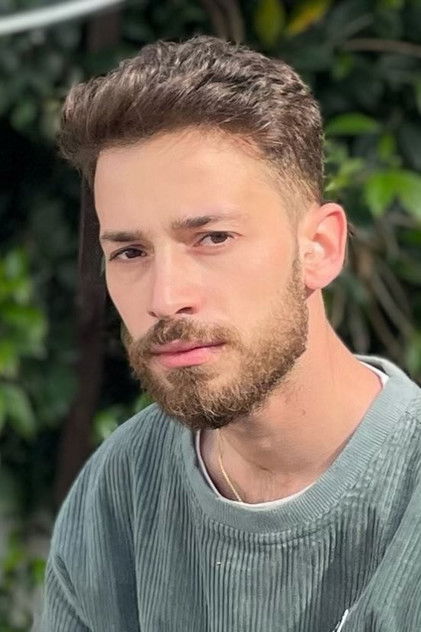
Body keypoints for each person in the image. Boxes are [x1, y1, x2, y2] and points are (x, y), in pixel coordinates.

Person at [40, 35, 421, 632]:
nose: (165, 298)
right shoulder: (119, 491)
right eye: (131, 252)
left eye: (213, 238)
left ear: (319, 248)